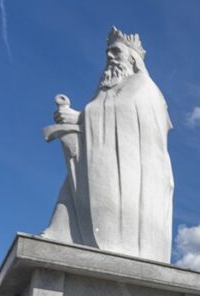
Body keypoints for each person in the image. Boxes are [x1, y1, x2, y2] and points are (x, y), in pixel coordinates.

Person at [43, 26, 173, 262]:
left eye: (115, 52)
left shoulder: (144, 87)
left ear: (133, 59)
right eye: (107, 54)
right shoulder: (107, 90)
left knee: (93, 187)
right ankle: (60, 231)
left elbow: (125, 115)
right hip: (101, 156)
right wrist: (77, 119)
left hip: (130, 171)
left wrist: (79, 117)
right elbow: (101, 113)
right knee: (75, 182)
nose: (110, 58)